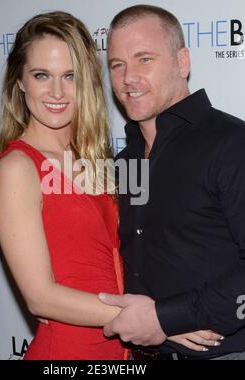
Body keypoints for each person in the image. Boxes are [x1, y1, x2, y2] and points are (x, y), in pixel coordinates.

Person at [0, 11, 221, 360]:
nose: (57, 92)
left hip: (126, 352)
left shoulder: (103, 162)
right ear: (20, 81)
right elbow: (40, 297)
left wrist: (167, 314)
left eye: (70, 76)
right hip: (69, 352)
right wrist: (161, 321)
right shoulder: (18, 166)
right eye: (41, 75)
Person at [99, 4, 245, 360]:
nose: (128, 77)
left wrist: (168, 318)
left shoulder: (231, 143)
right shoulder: (124, 163)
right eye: (117, 65)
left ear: (182, 62)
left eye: (144, 59)